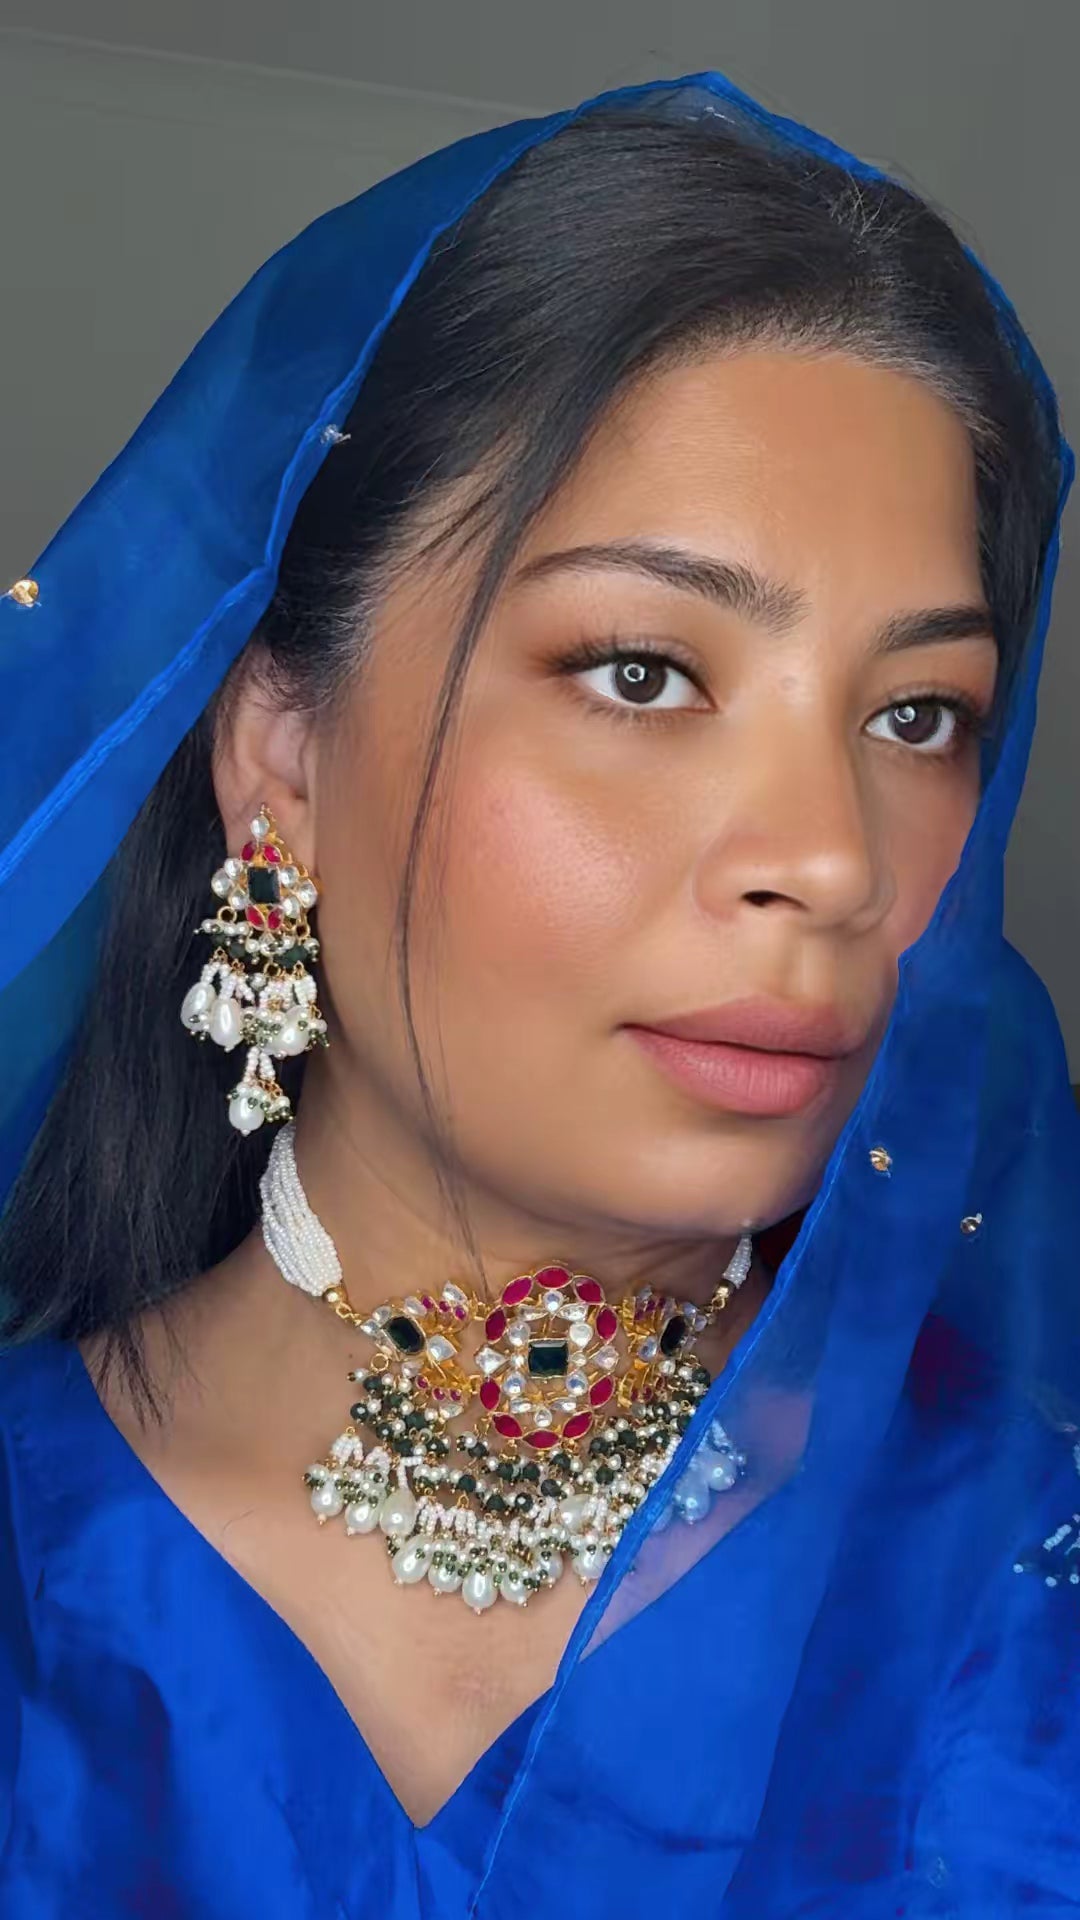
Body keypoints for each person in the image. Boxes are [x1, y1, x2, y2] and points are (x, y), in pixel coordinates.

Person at [0, 67, 1076, 1920]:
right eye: (645, 673)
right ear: (283, 758)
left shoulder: (1022, 1595)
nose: (833, 860)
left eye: (918, 716)